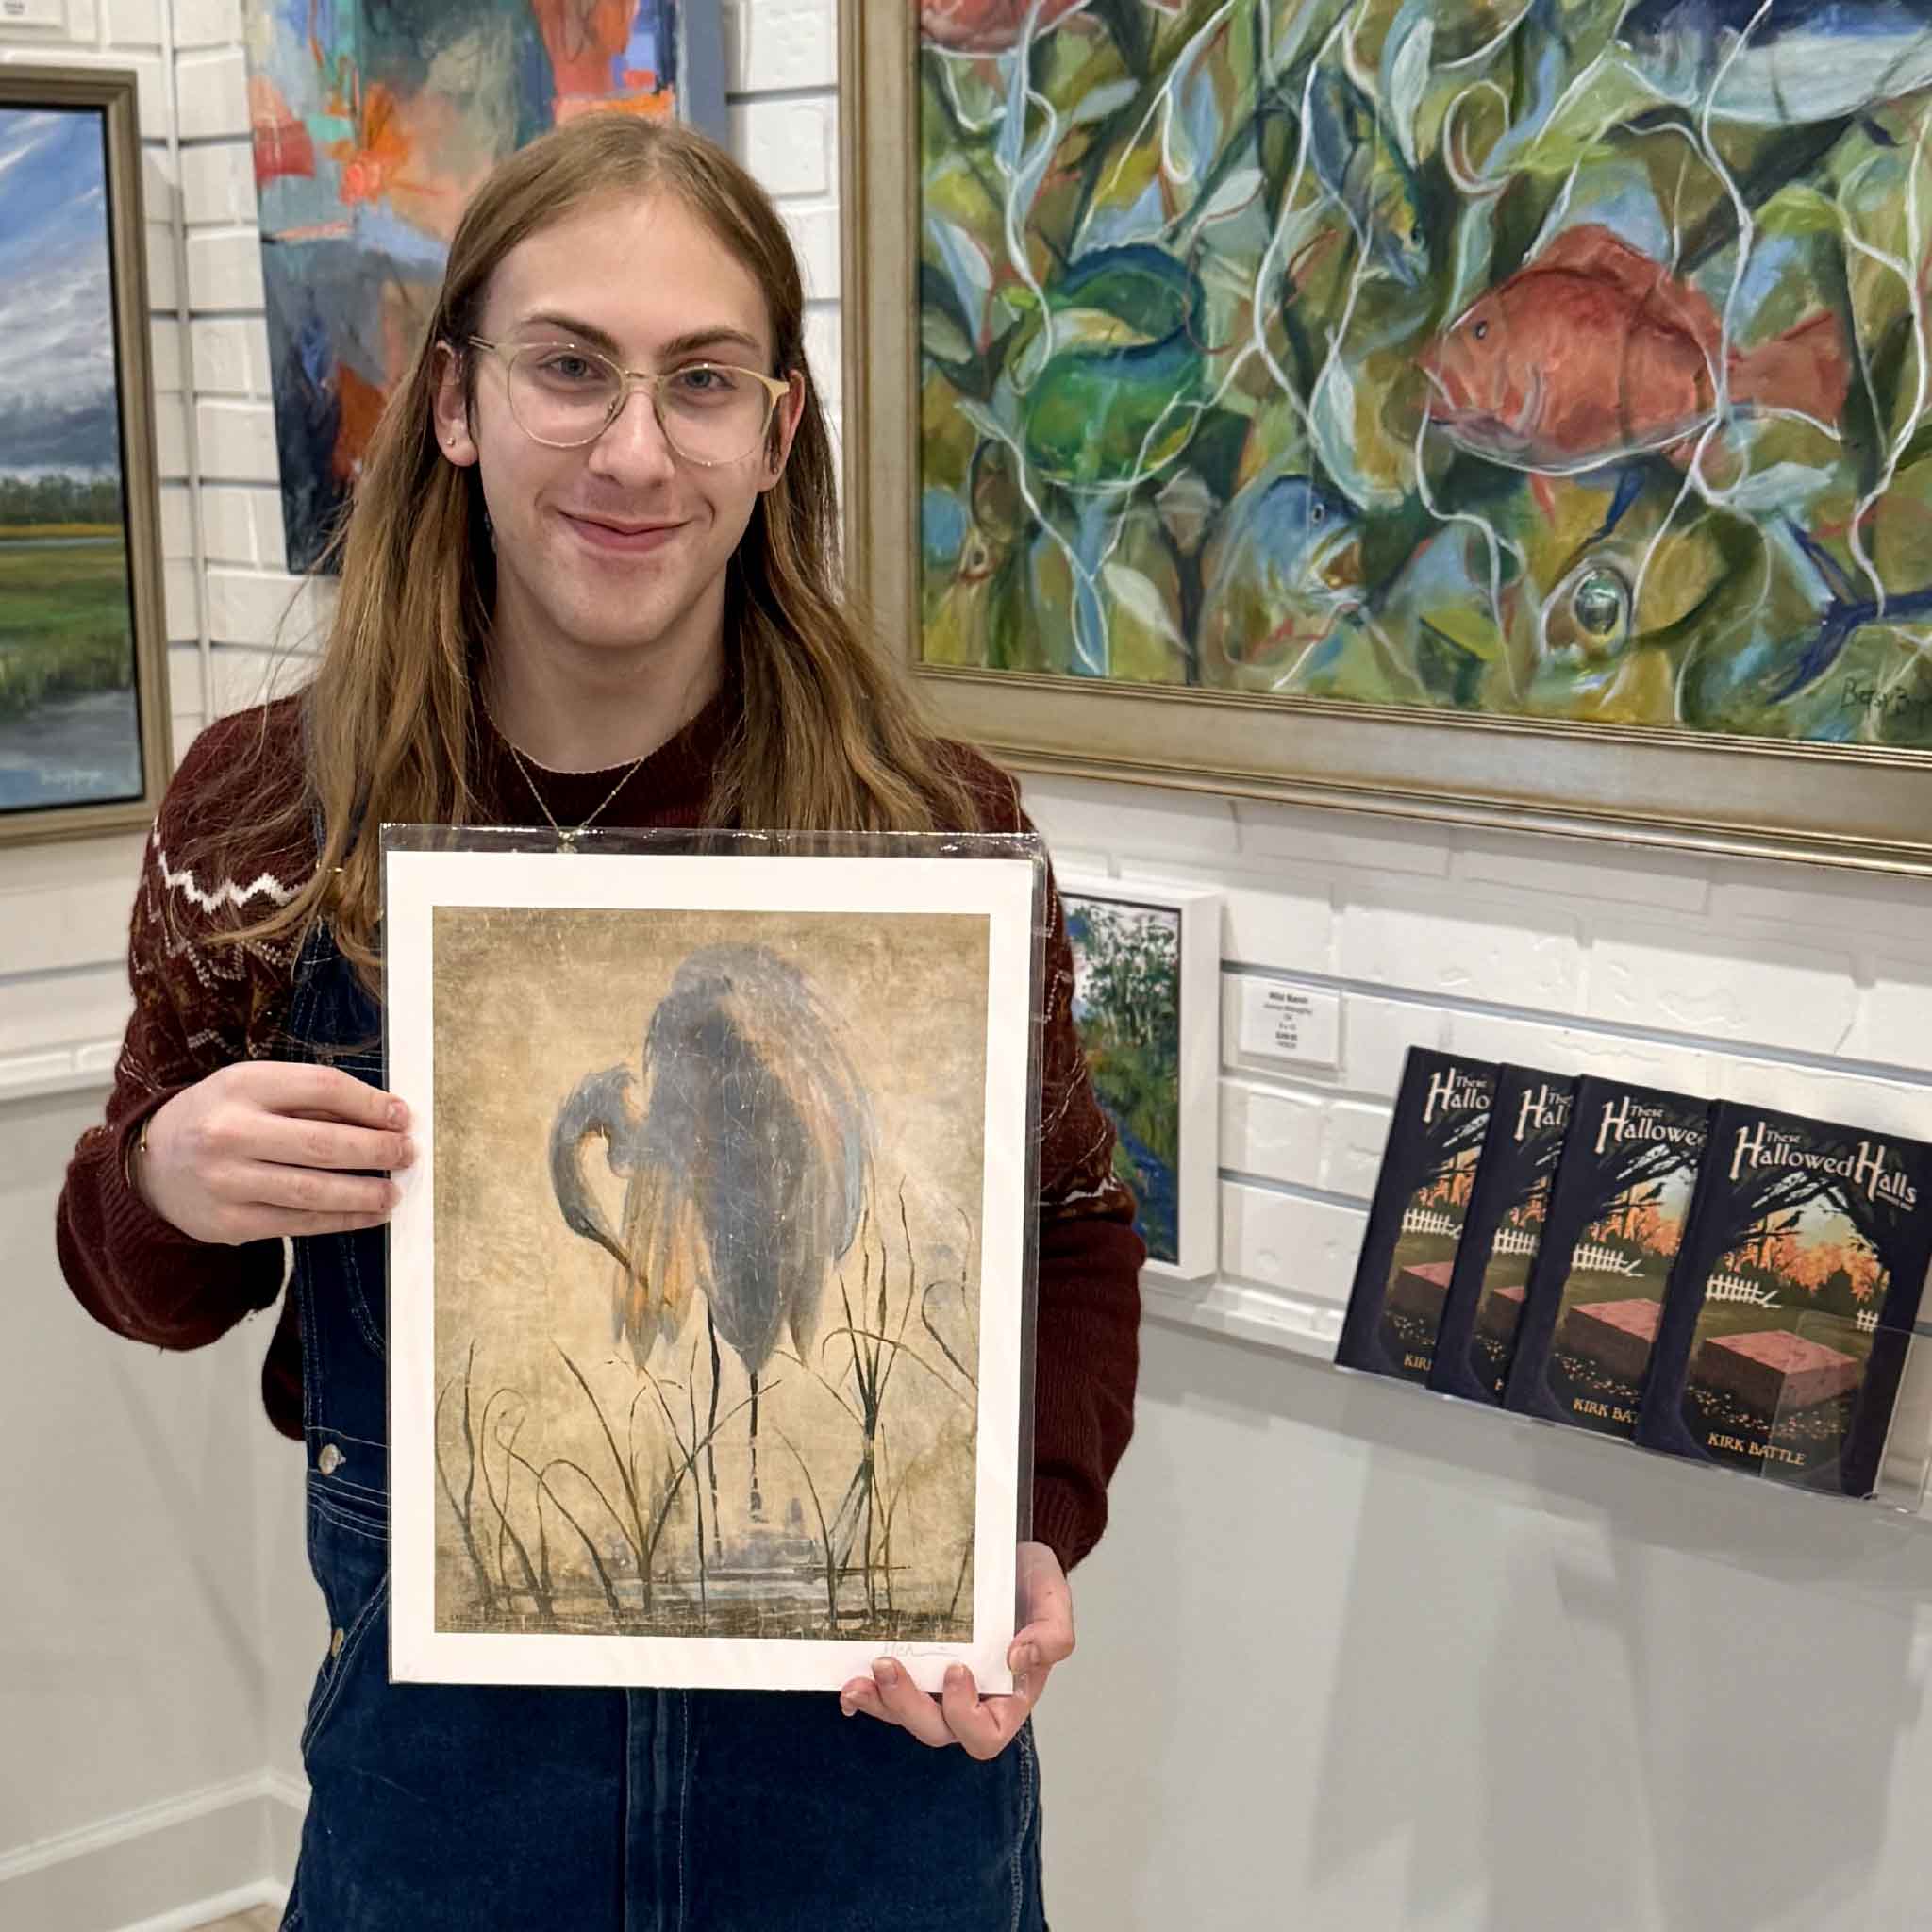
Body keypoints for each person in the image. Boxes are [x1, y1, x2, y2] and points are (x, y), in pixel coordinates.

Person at [55, 113, 1141, 1930]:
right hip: (449, 1809)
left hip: (870, 1786)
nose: (634, 451)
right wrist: (164, 1179)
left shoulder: (932, 828)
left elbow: (1076, 1226)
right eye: (569, 368)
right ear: (457, 401)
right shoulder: (268, 818)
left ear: (775, 435)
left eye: (701, 382)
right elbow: (143, 1281)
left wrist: (1022, 1522)